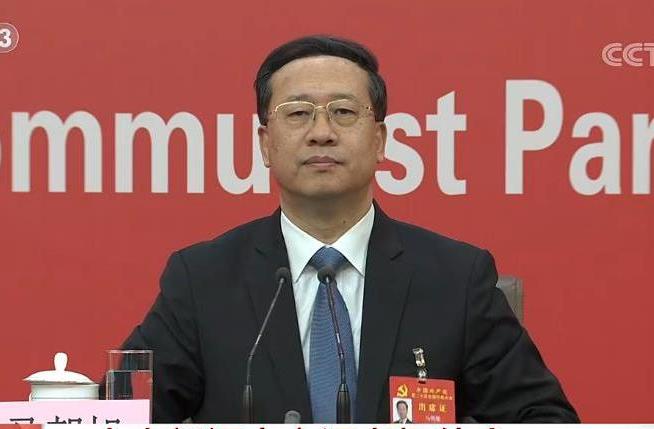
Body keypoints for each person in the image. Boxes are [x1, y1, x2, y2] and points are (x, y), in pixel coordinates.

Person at [121, 35, 579, 423]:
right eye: (298, 113)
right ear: (265, 143)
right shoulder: (203, 280)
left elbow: (544, 419)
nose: (321, 132)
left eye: (343, 112)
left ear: (379, 140)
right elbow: (120, 414)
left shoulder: (456, 279)